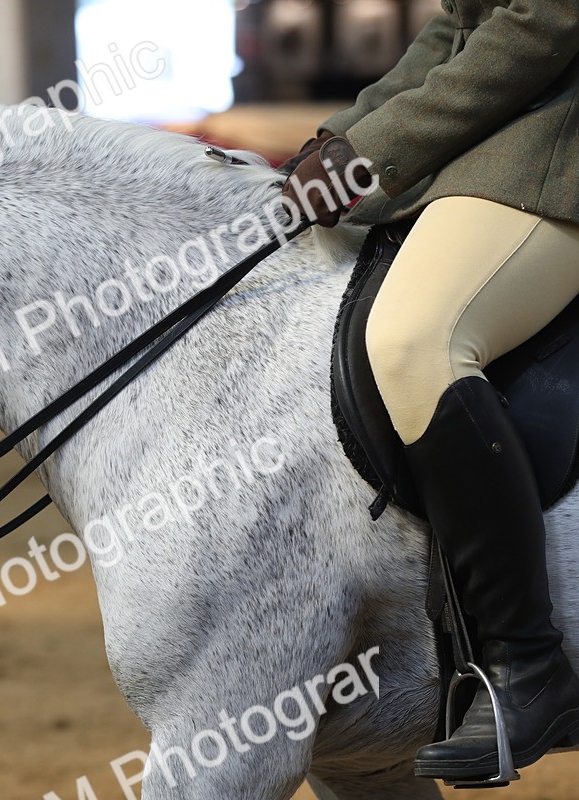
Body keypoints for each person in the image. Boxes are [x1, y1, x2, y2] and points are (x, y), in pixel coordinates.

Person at [280, 0, 579, 784]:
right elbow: (462, 26)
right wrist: (340, 139)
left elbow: (542, 24)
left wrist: (370, 151)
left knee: (417, 342)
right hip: (508, 135)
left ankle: (528, 661)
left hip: (561, 146)